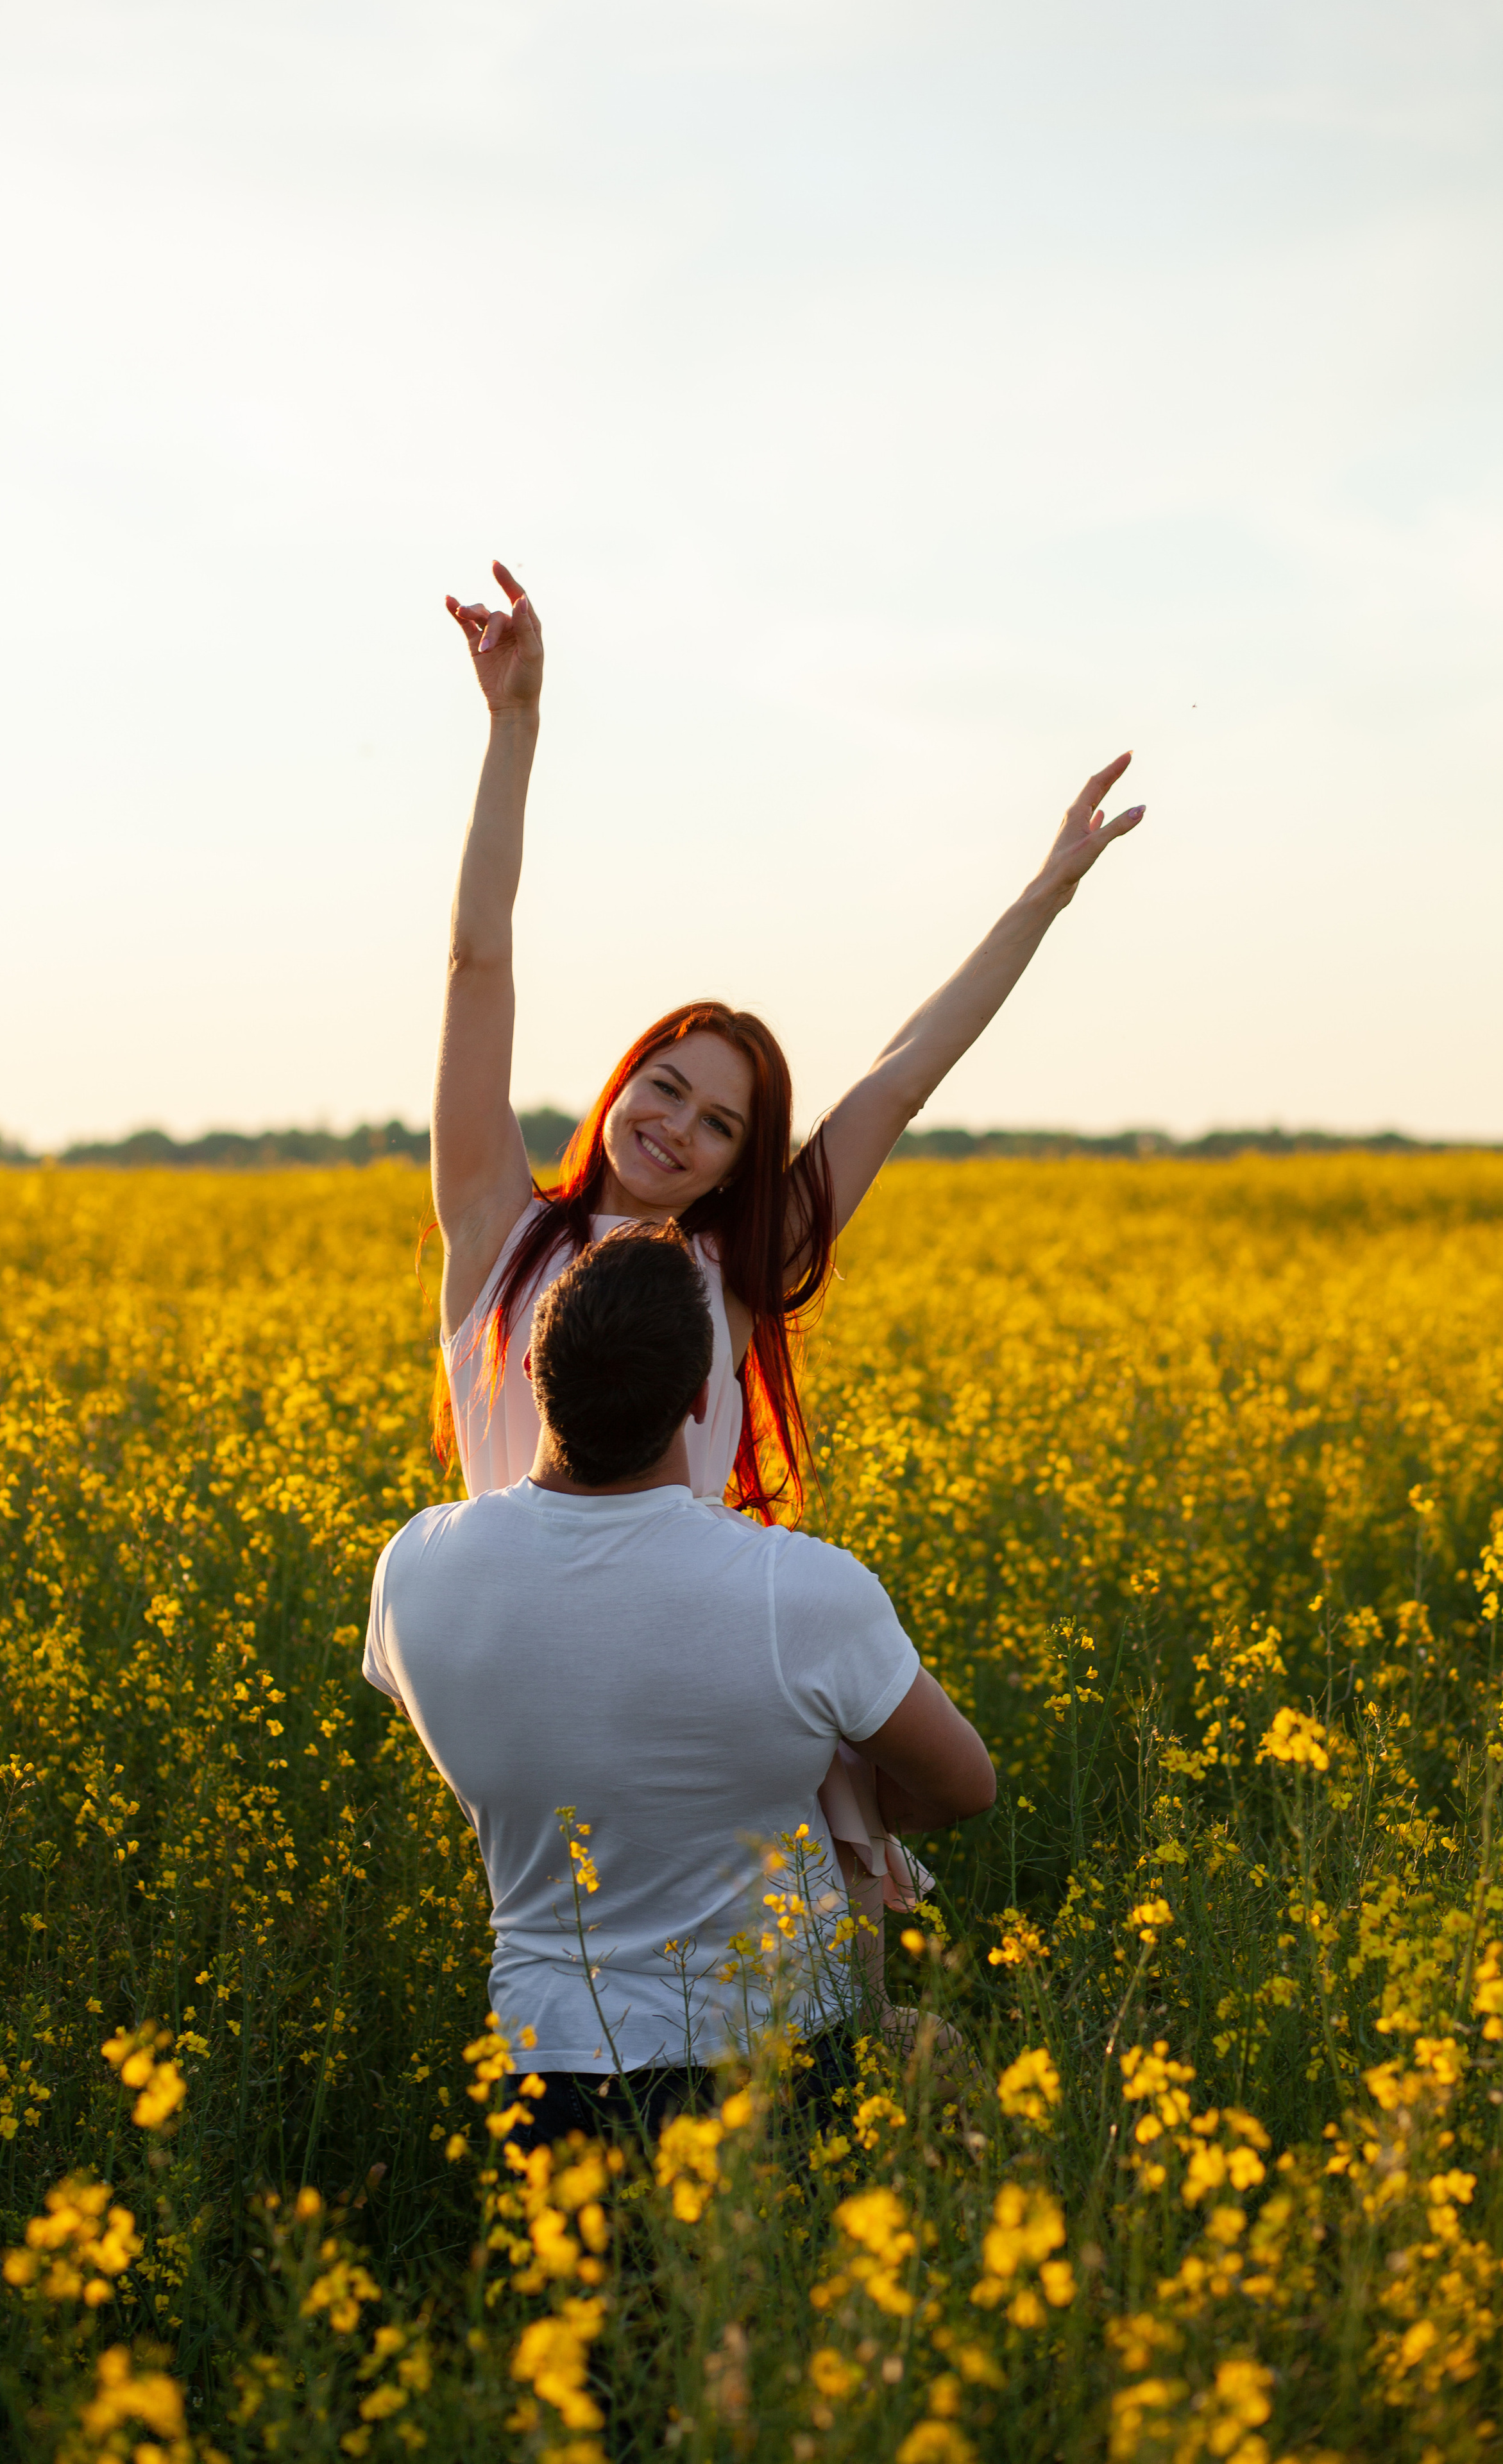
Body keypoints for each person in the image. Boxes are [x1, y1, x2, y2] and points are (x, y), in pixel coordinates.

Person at [432, 560, 1141, 1928]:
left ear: (735, 1169)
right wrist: (511, 730)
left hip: (693, 1689)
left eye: (715, 1125)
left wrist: (1045, 894)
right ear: (619, 1082)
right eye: (663, 1086)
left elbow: (897, 1078)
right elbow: (477, 964)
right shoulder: (496, 1237)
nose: (674, 1129)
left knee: (811, 1987)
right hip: (531, 1674)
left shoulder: (726, 1280)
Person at [364, 1222, 995, 2142]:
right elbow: (963, 1785)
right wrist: (835, 1803)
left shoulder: (416, 1564)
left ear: (533, 1364)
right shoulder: (802, 1591)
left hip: (545, 2069)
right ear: (702, 1399)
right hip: (777, 2054)